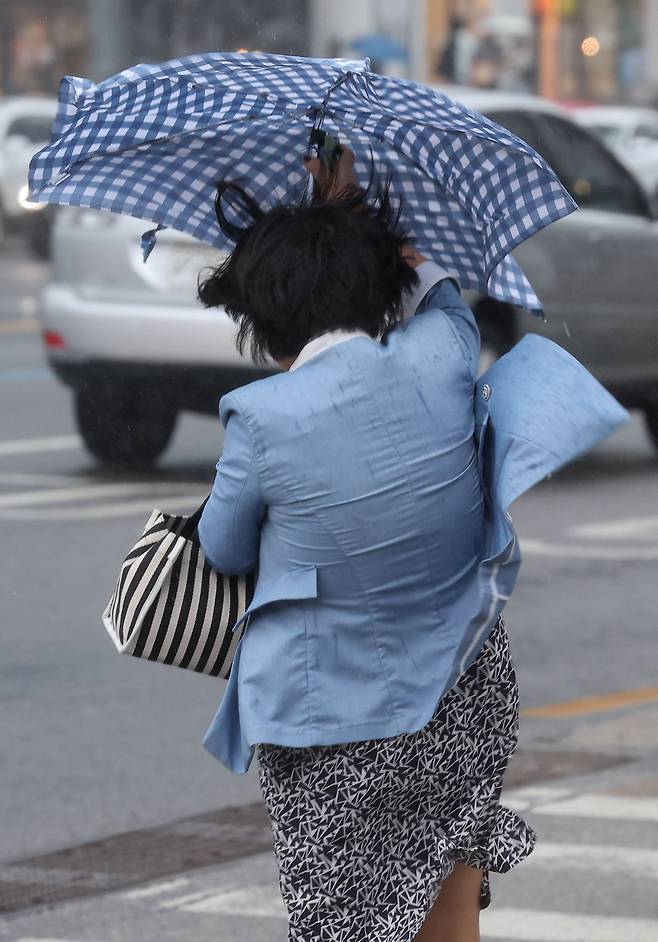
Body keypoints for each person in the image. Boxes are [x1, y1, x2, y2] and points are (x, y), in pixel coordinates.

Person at [195, 148, 536, 942]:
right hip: (463, 694)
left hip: (333, 722)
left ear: (261, 321)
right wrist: (361, 223)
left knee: (343, 924)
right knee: (449, 911)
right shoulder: (443, 354)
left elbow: (221, 548)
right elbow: (439, 291)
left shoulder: (264, 416)